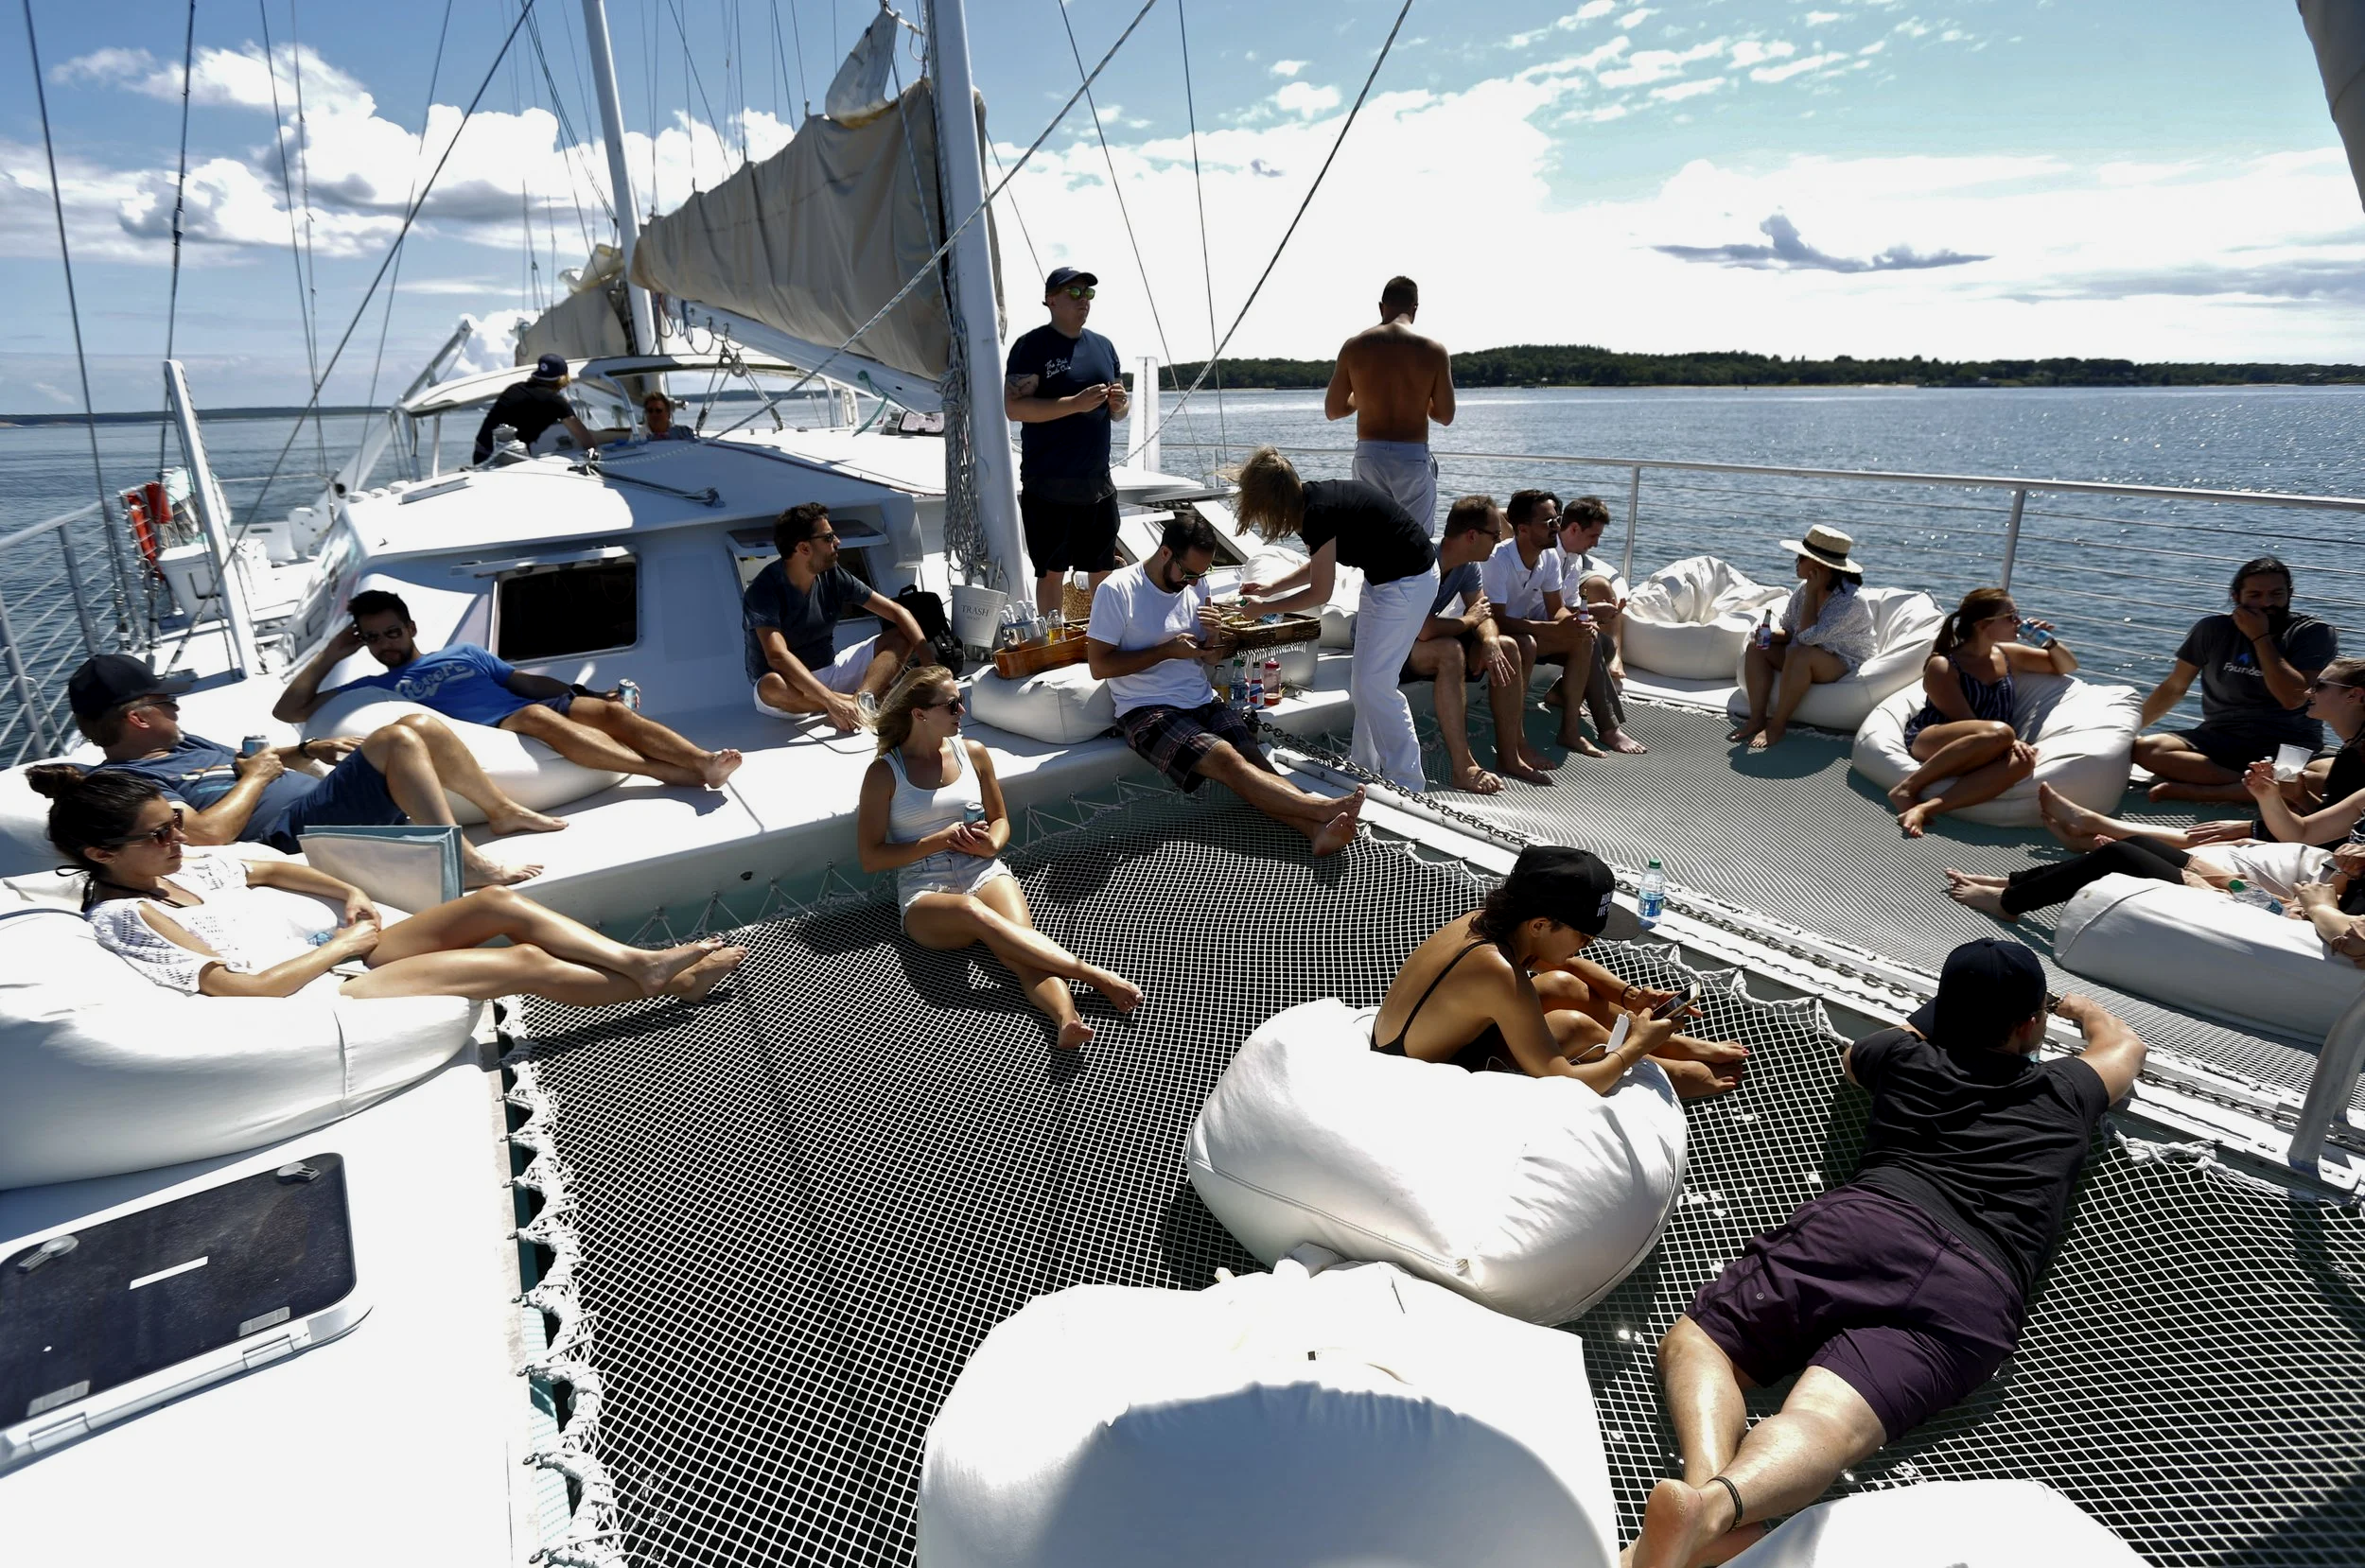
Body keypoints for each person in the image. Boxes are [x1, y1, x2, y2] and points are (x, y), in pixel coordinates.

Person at [1628, 940, 2145, 1568]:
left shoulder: (1900, 1056)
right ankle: (1712, 1513)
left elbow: (1859, 1055)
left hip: (1862, 1227)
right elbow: (2124, 1045)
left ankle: (1701, 1500)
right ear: (2028, 1024)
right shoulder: (2067, 1089)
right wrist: (2077, 1006)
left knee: (1702, 1344)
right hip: (1974, 1286)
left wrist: (1948, 1009)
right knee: (1825, 1424)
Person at [32, 765, 744, 1006]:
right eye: (160, 834)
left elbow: (277, 868)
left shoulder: (189, 865)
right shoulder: (126, 918)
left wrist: (346, 897)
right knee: (520, 964)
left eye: (174, 824)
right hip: (319, 989)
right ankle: (667, 981)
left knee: (493, 903)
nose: (180, 839)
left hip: (344, 946)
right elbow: (248, 992)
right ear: (100, 852)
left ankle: (640, 965)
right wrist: (343, 941)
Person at [69, 653, 553, 890]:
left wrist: (308, 748)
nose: (176, 709)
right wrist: (257, 777)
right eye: (166, 701)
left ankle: (502, 810)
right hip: (294, 835)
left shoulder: (182, 742)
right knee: (396, 738)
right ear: (139, 718)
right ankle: (468, 865)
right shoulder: (128, 785)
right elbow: (208, 834)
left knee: (419, 724)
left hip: (314, 806)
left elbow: (256, 763)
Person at [855, 665, 1143, 1050]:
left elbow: (1000, 821)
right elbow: (871, 859)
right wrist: (938, 840)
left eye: (961, 702)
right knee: (974, 914)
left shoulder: (972, 752)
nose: (962, 712)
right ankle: (1093, 975)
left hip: (981, 867)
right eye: (952, 705)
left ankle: (1066, 1019)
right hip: (925, 889)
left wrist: (991, 845)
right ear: (919, 713)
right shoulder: (883, 774)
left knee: (1021, 949)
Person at [1086, 513, 1366, 855]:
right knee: (1228, 760)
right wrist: (1166, 651)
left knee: (1252, 756)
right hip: (1145, 708)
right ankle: (1317, 807)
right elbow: (1099, 666)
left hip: (1199, 698)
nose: (1193, 583)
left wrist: (1216, 635)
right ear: (1164, 553)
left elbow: (1210, 658)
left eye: (1200, 576)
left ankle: (1313, 830)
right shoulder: (1117, 590)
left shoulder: (1197, 584)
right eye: (1187, 573)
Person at [1372, 845, 1747, 1097]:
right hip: (1413, 1079)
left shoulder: (1488, 924)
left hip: (1412, 1042)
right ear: (1539, 925)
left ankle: (1676, 1044)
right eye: (1584, 935)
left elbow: (1564, 963)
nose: (1590, 944)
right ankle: (1672, 1071)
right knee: (1573, 1026)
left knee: (1565, 985)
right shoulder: (1496, 973)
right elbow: (1563, 1081)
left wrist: (1630, 996)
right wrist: (1637, 1047)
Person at [271, 591, 743, 792]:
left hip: (528, 703)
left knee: (612, 714)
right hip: (498, 728)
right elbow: (286, 710)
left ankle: (701, 761)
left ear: (410, 628)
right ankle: (657, 772)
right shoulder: (375, 686)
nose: (384, 646)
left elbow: (523, 683)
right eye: (372, 639)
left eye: (391, 633)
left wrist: (587, 693)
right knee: (539, 718)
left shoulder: (464, 652)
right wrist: (331, 654)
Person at [1229, 446, 1441, 793]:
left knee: (1378, 685)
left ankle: (1408, 781)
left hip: (1408, 581)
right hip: (1384, 580)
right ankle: (1364, 766)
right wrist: (1270, 589)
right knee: (1363, 681)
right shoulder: (1309, 502)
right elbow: (1320, 565)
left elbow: (1320, 593)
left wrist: (1263, 609)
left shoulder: (1317, 513)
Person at [2034, 658, 2365, 854]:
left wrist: (2271, 803)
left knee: (2213, 840)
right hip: (2320, 839)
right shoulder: (2353, 747)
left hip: (2326, 855)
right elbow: (2336, 821)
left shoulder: (2356, 756)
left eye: (2320, 686)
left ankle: (2096, 833)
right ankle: (2094, 831)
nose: (2309, 691)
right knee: (2218, 831)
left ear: (2353, 696)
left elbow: (2330, 837)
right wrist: (2298, 795)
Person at [2133, 556, 2339, 803]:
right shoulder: (2212, 630)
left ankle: (2207, 791)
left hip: (2290, 742)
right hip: (2221, 739)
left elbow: (2293, 698)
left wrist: (2260, 637)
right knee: (2146, 749)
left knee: (2326, 778)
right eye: (2255, 595)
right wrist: (2129, 729)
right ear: (2236, 596)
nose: (2267, 603)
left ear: (2290, 593)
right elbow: (2175, 687)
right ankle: (2256, 789)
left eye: (2276, 594)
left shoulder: (2312, 632)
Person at [1886, 587, 2074, 838]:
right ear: (1984, 625)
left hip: (1994, 741)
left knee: (2024, 761)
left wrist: (2044, 640)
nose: (2019, 622)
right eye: (2011, 617)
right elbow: (1966, 721)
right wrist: (2009, 738)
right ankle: (1907, 788)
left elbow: (2067, 665)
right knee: (2003, 733)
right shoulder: (1943, 665)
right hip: (1935, 738)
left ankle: (1926, 808)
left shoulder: (2007, 655)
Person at [1403, 496, 1553, 793]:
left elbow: (1482, 611)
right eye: (1495, 536)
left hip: (1422, 636)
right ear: (1472, 535)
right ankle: (1464, 766)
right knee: (1450, 651)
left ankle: (1509, 755)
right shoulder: (1421, 559)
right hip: (1386, 642)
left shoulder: (1468, 565)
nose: (1498, 543)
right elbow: (1425, 630)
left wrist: (1491, 642)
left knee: (1509, 646)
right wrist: (1471, 621)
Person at [1005, 266, 1130, 619]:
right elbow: (1014, 407)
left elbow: (1119, 412)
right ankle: (1053, 640)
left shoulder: (1104, 346)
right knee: (1051, 572)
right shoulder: (1032, 346)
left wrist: (1120, 405)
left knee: (1103, 569)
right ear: (1051, 299)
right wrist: (1073, 404)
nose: (1083, 301)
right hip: (1049, 485)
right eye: (1074, 293)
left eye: (1087, 294)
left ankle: (1105, 636)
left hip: (1097, 483)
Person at [745, 502, 927, 728]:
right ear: (804, 549)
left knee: (900, 637)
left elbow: (897, 612)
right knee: (770, 686)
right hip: (790, 684)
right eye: (829, 538)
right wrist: (831, 701)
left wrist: (931, 667)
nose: (837, 542)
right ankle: (855, 702)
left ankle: (862, 699)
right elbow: (777, 656)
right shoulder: (763, 590)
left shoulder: (833, 575)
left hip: (831, 671)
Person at [1482, 490, 1637, 758]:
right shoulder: (1498, 560)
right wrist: (1553, 629)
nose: (1556, 527)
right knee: (1526, 644)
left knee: (1585, 638)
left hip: (1525, 629)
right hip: (1493, 632)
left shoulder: (1549, 556)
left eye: (1557, 519)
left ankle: (1570, 730)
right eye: (1548, 522)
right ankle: (1517, 741)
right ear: (1523, 529)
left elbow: (1558, 610)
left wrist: (1578, 622)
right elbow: (1497, 619)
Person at [1324, 276, 1454, 539]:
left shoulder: (1354, 346)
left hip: (1369, 455)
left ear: (1381, 307)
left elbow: (1333, 410)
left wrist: (1363, 396)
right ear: (1415, 309)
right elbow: (1445, 415)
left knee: (1372, 538)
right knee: (1417, 541)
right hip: (1412, 457)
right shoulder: (1434, 350)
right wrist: (1421, 397)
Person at [1728, 524, 1877, 751]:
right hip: (1806, 653)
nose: (1796, 562)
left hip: (1842, 661)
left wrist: (1811, 594)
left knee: (1801, 654)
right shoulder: (1803, 588)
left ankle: (1777, 724)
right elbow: (1790, 630)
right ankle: (1757, 718)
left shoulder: (1850, 601)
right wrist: (1767, 636)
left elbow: (1807, 638)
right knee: (1756, 647)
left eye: (1801, 558)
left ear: (1819, 566)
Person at [1550, 495, 1638, 750]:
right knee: (1589, 641)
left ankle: (1559, 694)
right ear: (1574, 528)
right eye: (1593, 537)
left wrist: (1596, 612)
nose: (1596, 545)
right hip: (1532, 623)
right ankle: (1609, 728)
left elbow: (1568, 604)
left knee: (1606, 644)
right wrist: (1585, 617)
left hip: (1553, 620)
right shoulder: (1547, 554)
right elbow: (1548, 609)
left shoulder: (1574, 559)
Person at [470, 352, 631, 465]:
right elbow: (587, 440)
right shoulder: (555, 401)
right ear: (563, 379)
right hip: (505, 460)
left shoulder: (515, 388)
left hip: (481, 456)